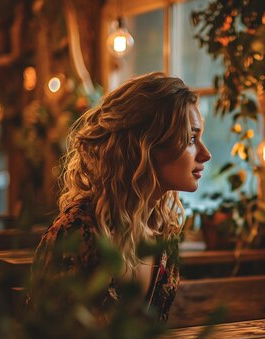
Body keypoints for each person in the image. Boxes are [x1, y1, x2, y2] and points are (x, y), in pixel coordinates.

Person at [31, 73, 211, 321]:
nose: (206, 154)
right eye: (191, 138)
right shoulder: (77, 232)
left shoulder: (163, 234)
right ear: (146, 144)